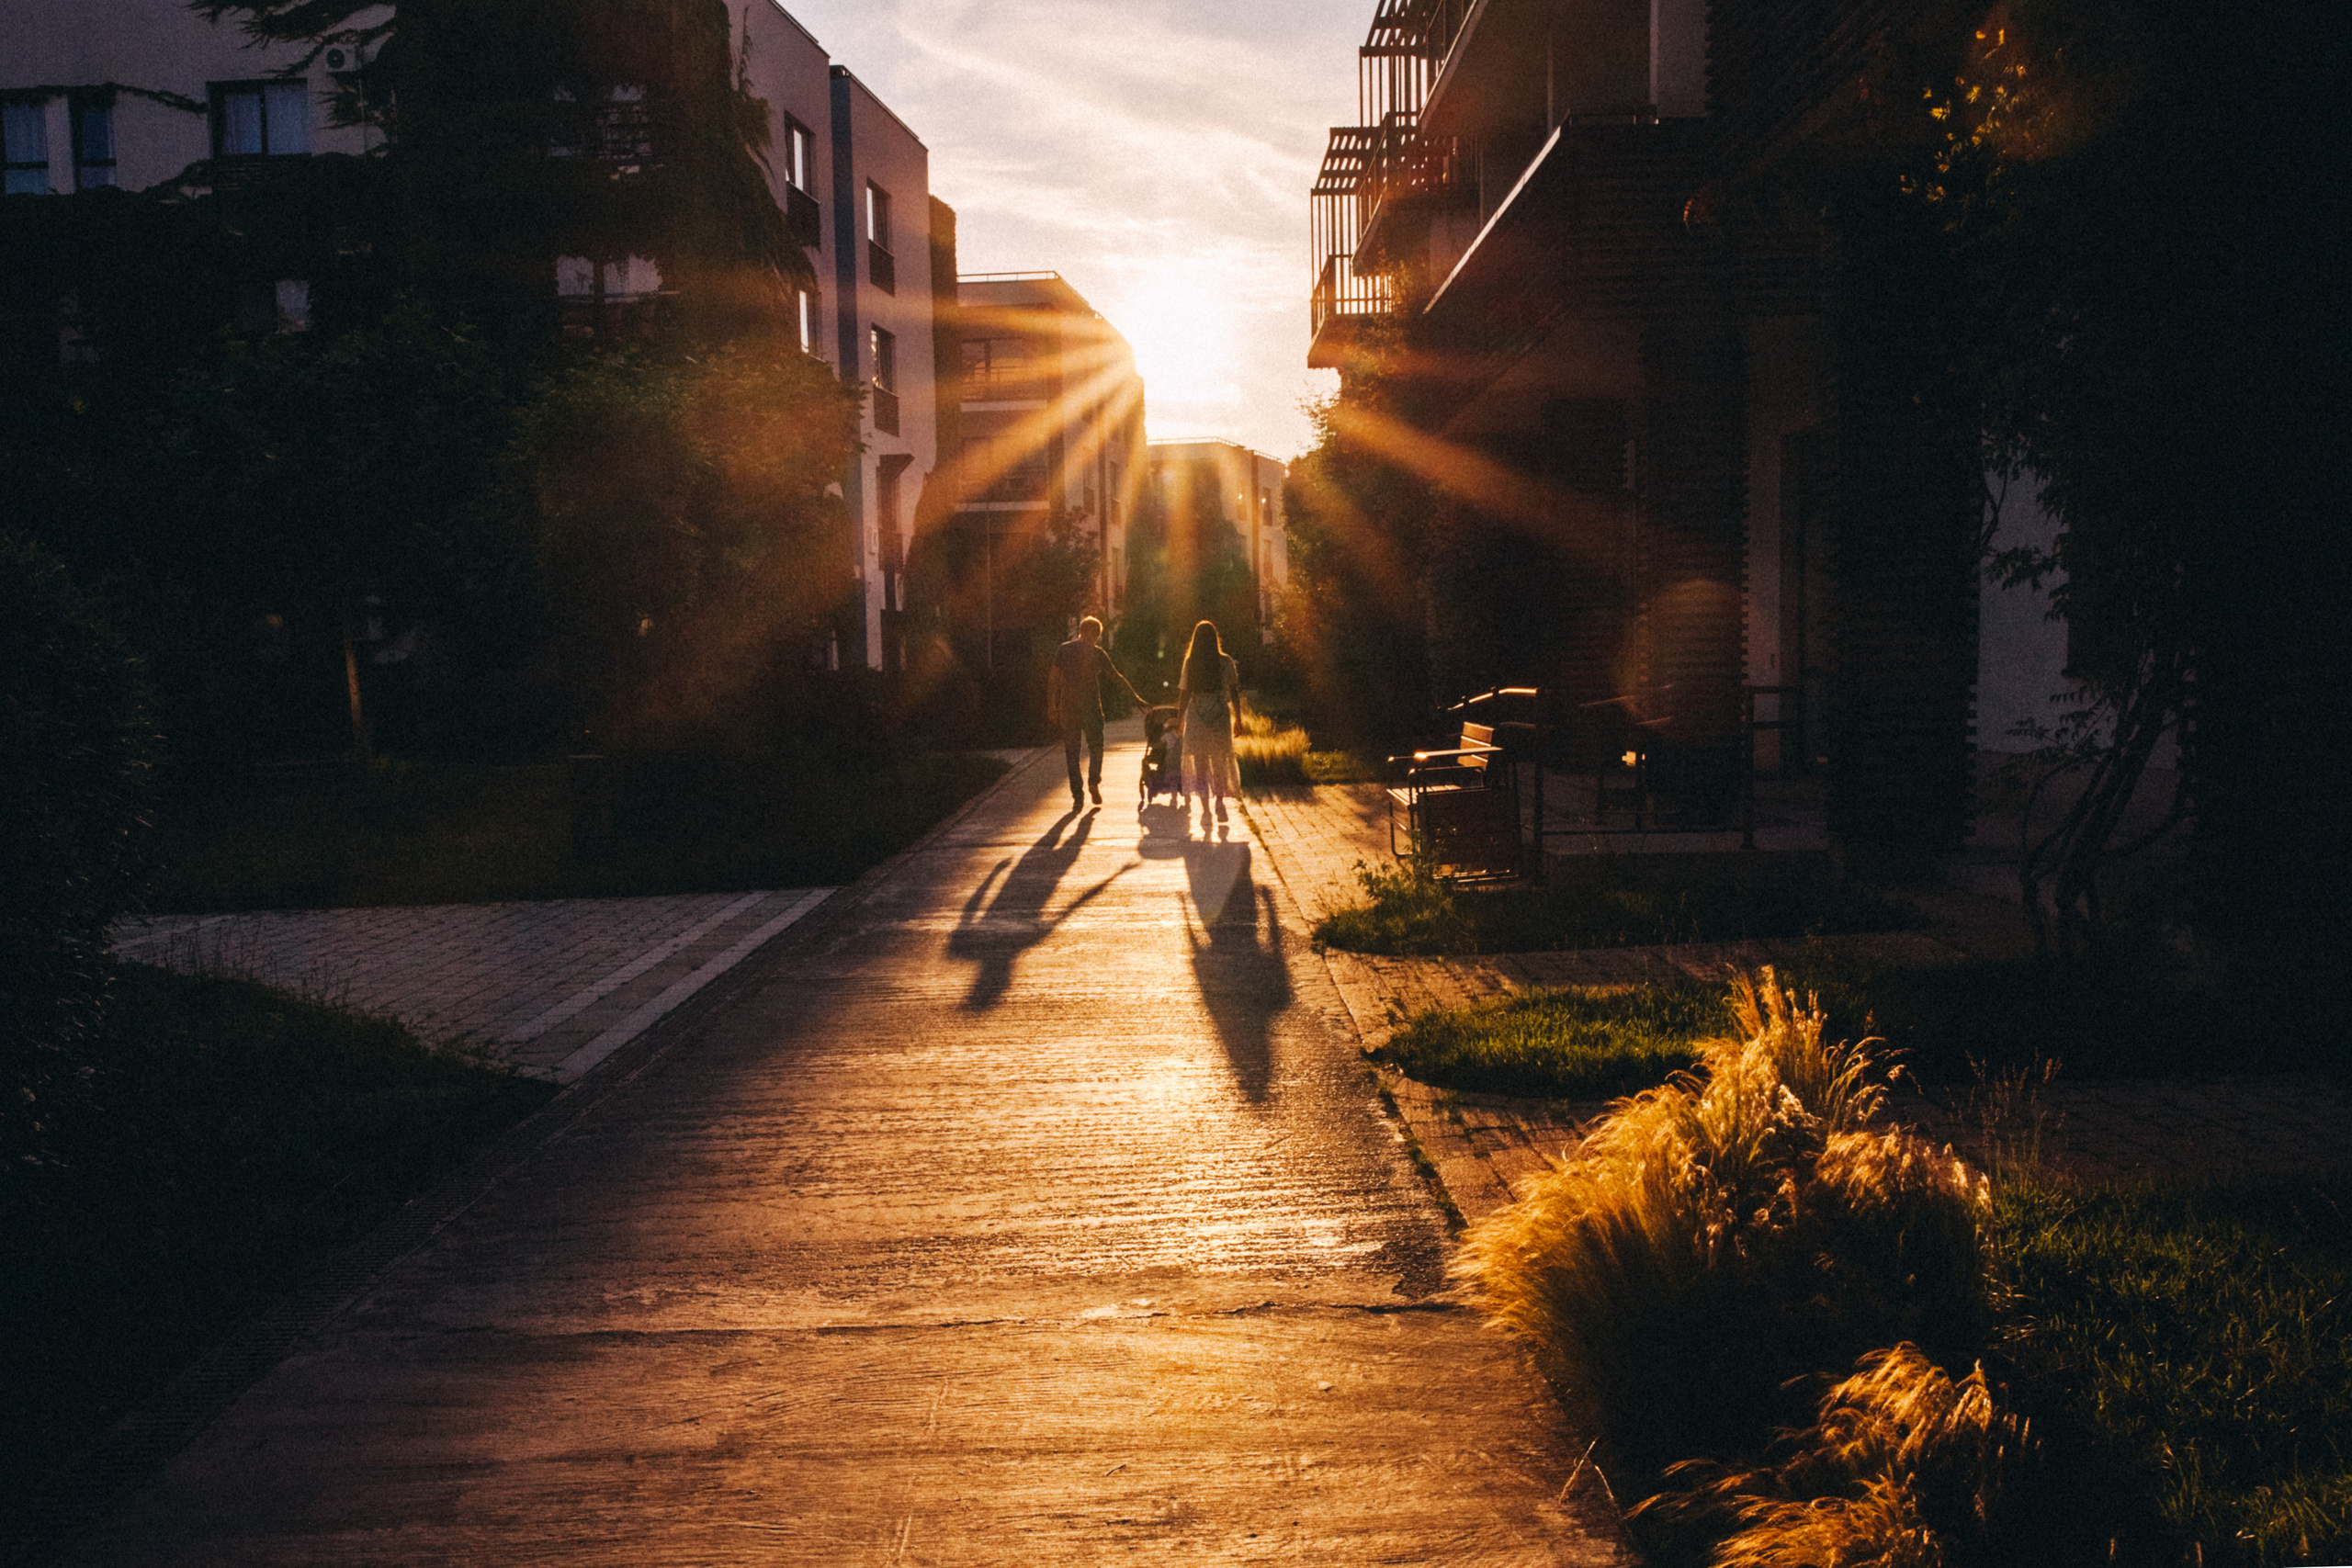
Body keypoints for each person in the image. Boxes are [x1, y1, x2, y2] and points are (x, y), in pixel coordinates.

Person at [1046, 615, 1144, 810]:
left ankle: (1078, 796)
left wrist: (1052, 706)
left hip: (1068, 708)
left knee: (1072, 753)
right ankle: (1093, 781)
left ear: (1081, 631)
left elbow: (1053, 680)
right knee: (1096, 747)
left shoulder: (1064, 650)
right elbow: (1116, 677)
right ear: (1096, 634)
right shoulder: (1098, 653)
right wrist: (1136, 699)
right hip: (1091, 707)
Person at [1175, 619, 1241, 822]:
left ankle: (1205, 810)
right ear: (1215, 639)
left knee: (1200, 762)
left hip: (1197, 714)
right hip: (1219, 713)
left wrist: (1180, 719)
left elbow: (1184, 693)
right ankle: (1219, 801)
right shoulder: (1225, 661)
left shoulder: (1191, 663)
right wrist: (1238, 719)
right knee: (1220, 759)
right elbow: (1234, 691)